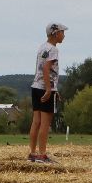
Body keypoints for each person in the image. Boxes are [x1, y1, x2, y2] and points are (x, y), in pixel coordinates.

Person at [28, 23, 66, 164]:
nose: (64, 35)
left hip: (36, 86)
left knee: (36, 122)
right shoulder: (53, 49)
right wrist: (50, 89)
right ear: (55, 33)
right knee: (45, 123)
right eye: (62, 32)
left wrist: (55, 89)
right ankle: (42, 155)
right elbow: (46, 69)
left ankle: (32, 153)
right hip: (45, 88)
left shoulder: (42, 47)